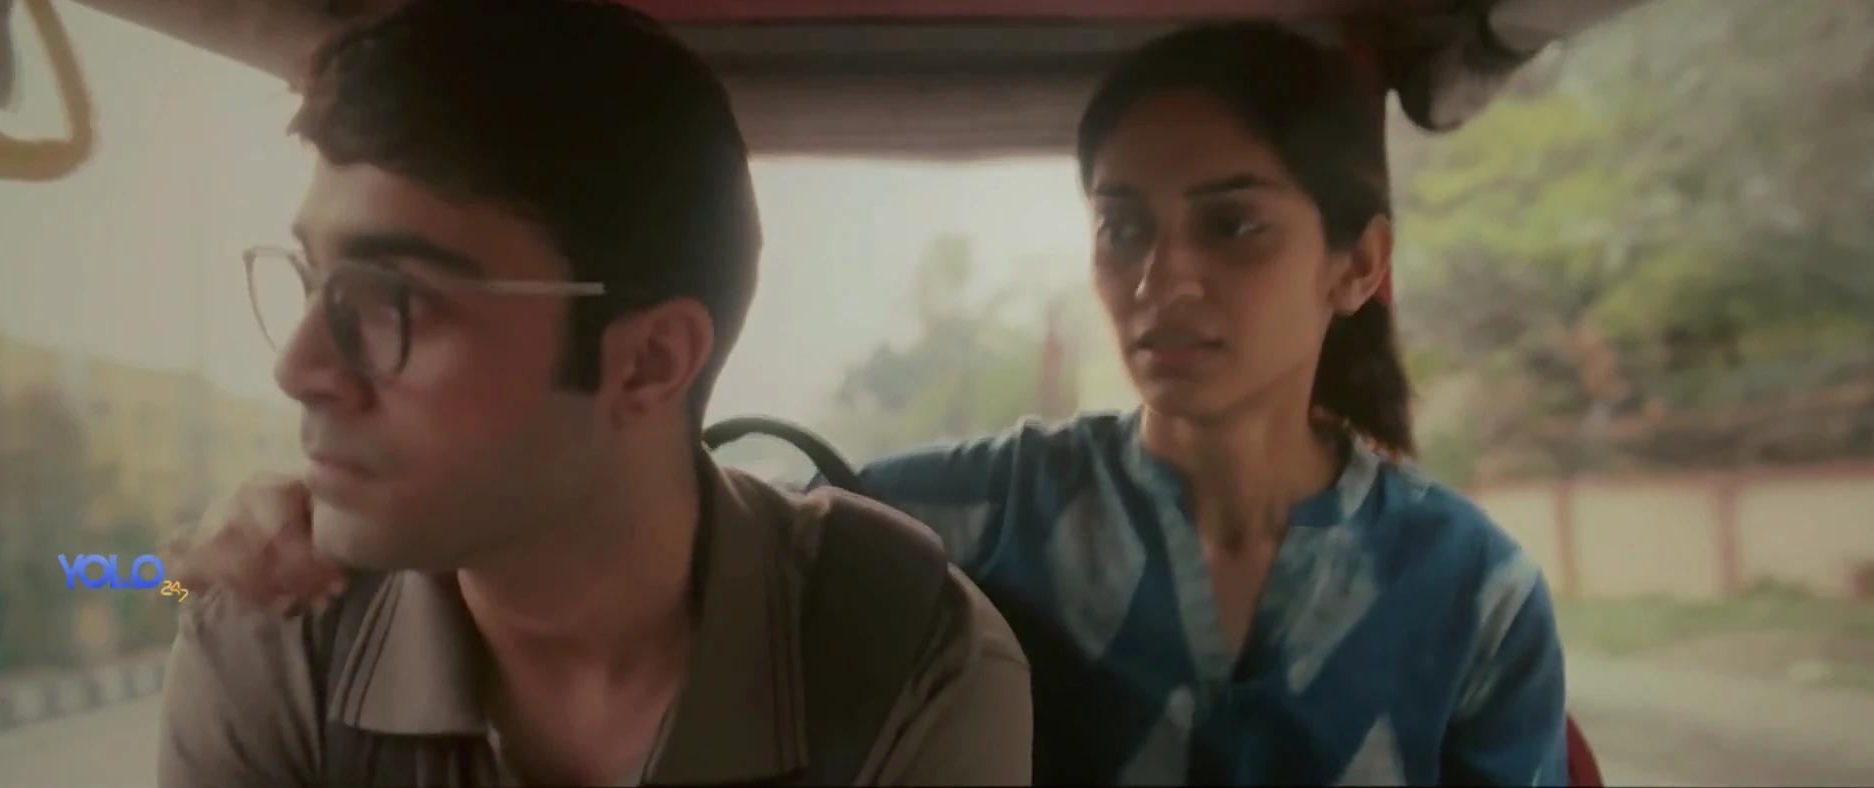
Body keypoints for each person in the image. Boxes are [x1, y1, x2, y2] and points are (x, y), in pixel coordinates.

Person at [163, 18, 1567, 788]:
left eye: (1235, 226)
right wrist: (302, 510)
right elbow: (688, 513)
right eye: (1123, 226)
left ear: (1357, 264)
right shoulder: (958, 517)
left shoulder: (1477, 594)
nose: (1163, 280)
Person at [153, 1, 1031, 786]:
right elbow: (164, 591)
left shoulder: (907, 657)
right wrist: (186, 596)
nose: (299, 366)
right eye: (314, 280)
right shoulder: (275, 629)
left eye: (393, 300)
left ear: (648, 362)